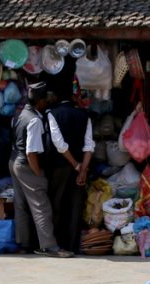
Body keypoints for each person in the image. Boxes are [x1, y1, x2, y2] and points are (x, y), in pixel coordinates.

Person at [9, 81, 73, 257]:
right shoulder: (35, 120)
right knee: (41, 206)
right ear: (41, 101)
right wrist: (38, 174)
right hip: (26, 164)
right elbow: (31, 152)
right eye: (46, 99)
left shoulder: (21, 114)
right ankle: (49, 246)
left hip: (14, 161)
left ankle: (23, 244)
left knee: (21, 205)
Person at [46, 89, 94, 254]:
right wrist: (83, 170)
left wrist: (75, 165)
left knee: (57, 204)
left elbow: (59, 143)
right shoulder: (84, 115)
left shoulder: (53, 114)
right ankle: (72, 245)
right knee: (75, 206)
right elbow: (89, 146)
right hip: (80, 165)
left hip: (61, 166)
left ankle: (58, 245)